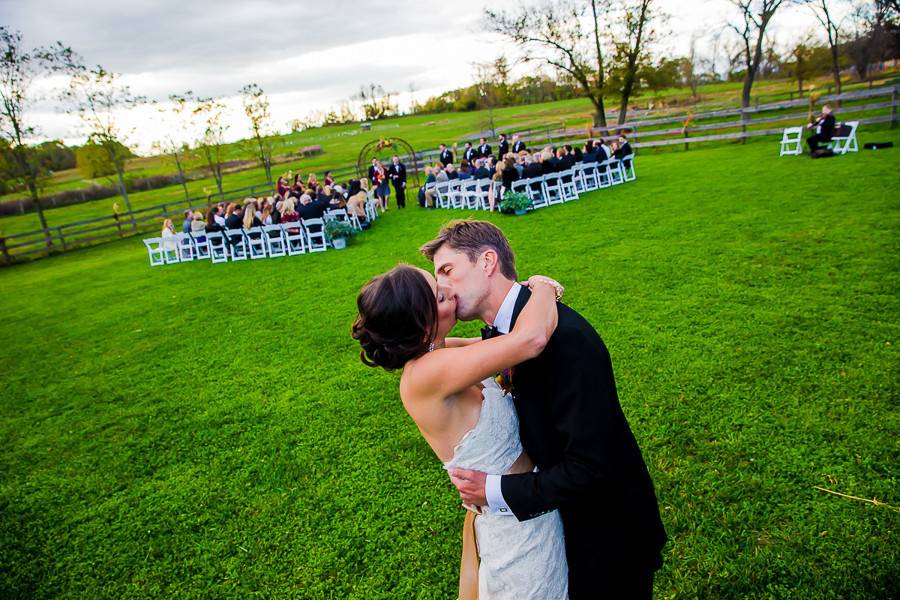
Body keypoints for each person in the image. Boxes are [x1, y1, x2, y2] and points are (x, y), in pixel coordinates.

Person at [423, 220, 667, 599]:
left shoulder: (566, 341)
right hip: (558, 532)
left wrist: (495, 489)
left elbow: (592, 467)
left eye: (447, 270)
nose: (442, 285)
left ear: (487, 262)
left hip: (607, 535)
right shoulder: (499, 333)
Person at [352, 263, 568, 598]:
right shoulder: (426, 375)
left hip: (532, 505)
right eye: (440, 296)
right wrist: (543, 286)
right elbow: (530, 339)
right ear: (424, 327)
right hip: (516, 531)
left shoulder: (440, 350)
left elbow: (500, 340)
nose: (449, 291)